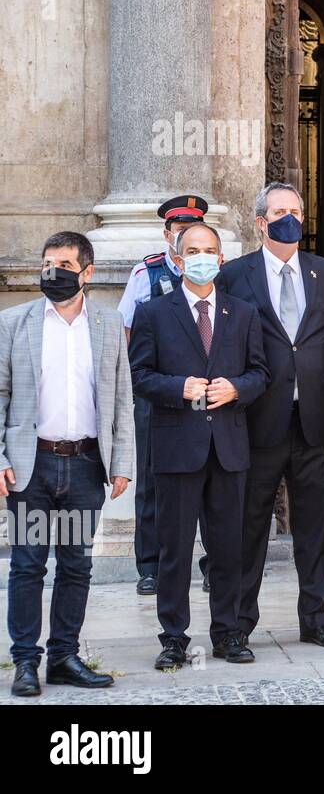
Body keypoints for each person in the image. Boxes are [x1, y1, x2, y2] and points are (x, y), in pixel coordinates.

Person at [129, 222, 269, 667]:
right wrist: (179, 388)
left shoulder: (243, 313)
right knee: (174, 549)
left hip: (228, 450)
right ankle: (173, 637)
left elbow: (261, 373)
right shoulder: (154, 313)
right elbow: (140, 375)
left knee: (229, 548)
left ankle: (229, 633)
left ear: (221, 258)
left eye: (209, 249)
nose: (202, 257)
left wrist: (237, 390)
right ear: (178, 255)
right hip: (176, 450)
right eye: (193, 250)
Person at [0, 233, 133, 696]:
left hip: (82, 467)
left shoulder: (108, 324)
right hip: (31, 465)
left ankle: (64, 656)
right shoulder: (14, 323)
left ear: (87, 272)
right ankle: (24, 661)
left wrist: (122, 463)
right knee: (28, 565)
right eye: (46, 262)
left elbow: (120, 399)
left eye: (63, 263)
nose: (52, 271)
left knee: (76, 565)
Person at [215, 182, 324, 649]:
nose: (289, 218)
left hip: (313, 421)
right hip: (257, 421)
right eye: (279, 211)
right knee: (249, 527)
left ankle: (316, 619)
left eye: (296, 210)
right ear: (260, 221)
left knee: (316, 527)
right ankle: (236, 626)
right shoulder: (234, 276)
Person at [118, 194, 210, 596]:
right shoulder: (147, 272)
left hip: (207, 392)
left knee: (213, 479)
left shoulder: (213, 270)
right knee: (153, 480)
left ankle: (211, 564)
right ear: (168, 233)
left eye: (194, 228)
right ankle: (151, 566)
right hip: (158, 393)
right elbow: (126, 331)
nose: (186, 236)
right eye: (180, 229)